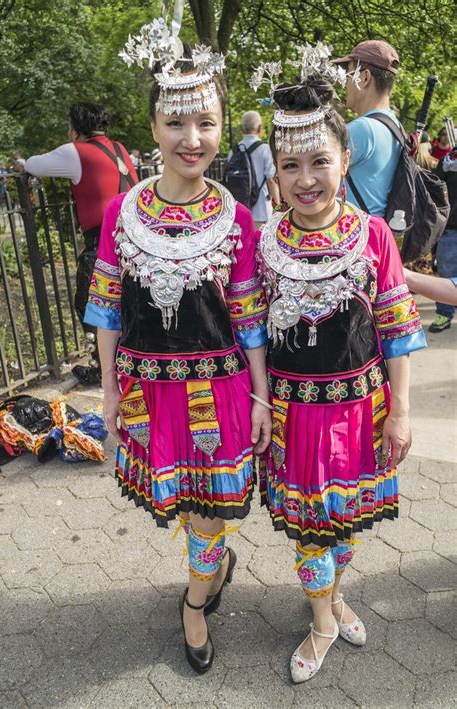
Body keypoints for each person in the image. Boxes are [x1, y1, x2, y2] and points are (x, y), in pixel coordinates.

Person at [85, 20, 271, 675]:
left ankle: (195, 600)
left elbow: (248, 317)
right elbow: (107, 307)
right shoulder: (123, 213)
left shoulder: (237, 217)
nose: (193, 140)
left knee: (211, 503)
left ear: (224, 127)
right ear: (154, 126)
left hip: (218, 390)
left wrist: (262, 397)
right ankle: (210, 566)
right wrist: (107, 389)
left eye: (208, 123)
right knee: (189, 503)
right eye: (177, 123)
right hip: (148, 391)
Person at [252, 43, 426, 684]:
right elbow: (251, 335)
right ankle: (322, 620)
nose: (306, 178)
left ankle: (332, 597)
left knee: (345, 522)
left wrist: (400, 413)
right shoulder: (262, 241)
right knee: (308, 528)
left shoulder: (372, 235)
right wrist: (261, 401)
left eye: (320, 161)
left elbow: (399, 328)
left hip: (361, 410)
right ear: (275, 171)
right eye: (290, 164)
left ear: (345, 159)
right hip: (294, 416)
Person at [25, 103, 138, 386]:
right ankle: (124, 361)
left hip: (103, 241)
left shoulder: (76, 151)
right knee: (125, 301)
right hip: (134, 238)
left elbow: (32, 164)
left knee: (90, 303)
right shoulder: (120, 149)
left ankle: (106, 368)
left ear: (75, 128)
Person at [332, 40, 401, 216]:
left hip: (352, 235)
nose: (344, 84)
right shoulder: (395, 126)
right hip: (376, 233)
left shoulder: (363, 129)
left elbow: (313, 174)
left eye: (348, 75)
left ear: (365, 78)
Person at [428, 146, 457, 331]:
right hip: (451, 227)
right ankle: (444, 314)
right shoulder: (449, 160)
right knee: (447, 272)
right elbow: (435, 188)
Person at [235, 111, 280, 227]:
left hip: (240, 211)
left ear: (242, 129)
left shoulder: (234, 150)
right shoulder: (265, 149)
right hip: (261, 210)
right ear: (259, 128)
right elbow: (271, 180)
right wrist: (278, 206)